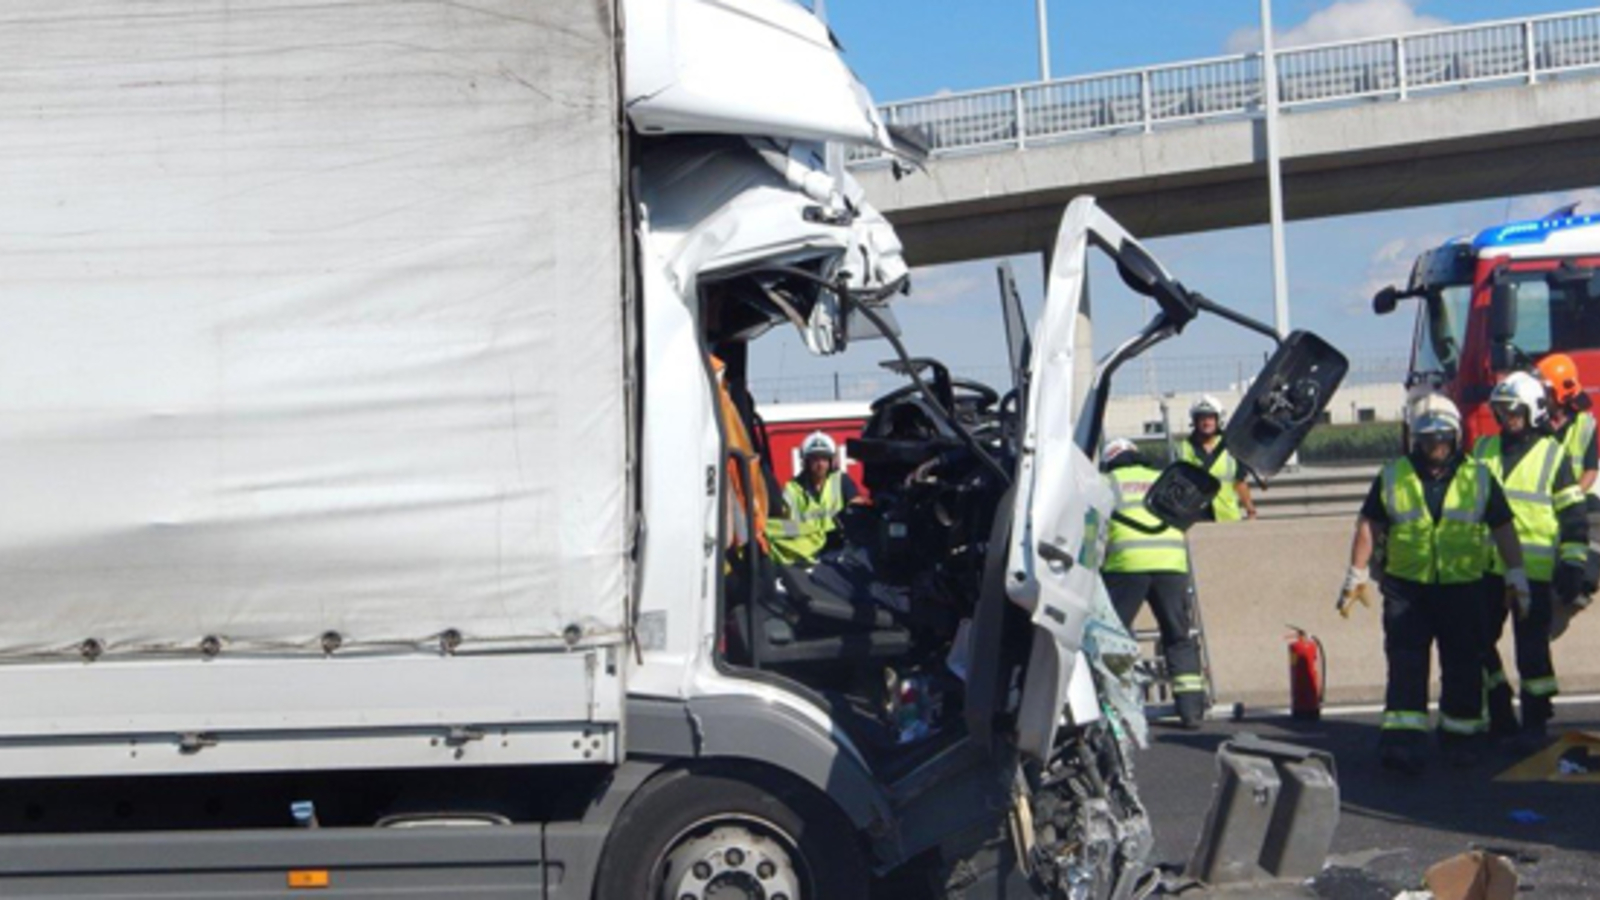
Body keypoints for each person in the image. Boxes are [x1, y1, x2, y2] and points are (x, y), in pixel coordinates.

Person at [1339, 392, 1525, 772]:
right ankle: (1403, 742)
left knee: (1462, 666)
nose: (1434, 446)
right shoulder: (1394, 475)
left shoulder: (1479, 477)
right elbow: (1369, 526)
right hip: (1408, 588)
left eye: (1441, 438)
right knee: (1406, 665)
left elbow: (1504, 529)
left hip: (1463, 587)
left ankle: (1460, 739)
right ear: (1415, 439)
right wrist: (1355, 575)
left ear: (1454, 438)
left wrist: (1516, 575)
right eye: (1427, 439)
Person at [1472, 371, 1588, 745]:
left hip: (1534, 572)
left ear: (1534, 410)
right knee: (1476, 641)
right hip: (1488, 568)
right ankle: (1499, 706)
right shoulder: (1482, 450)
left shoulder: (1553, 455)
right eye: (1502, 411)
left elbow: (1572, 515)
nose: (1507, 419)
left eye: (1514, 411)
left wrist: (1572, 563)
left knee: (1532, 650)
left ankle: (1536, 720)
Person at [1101, 438, 1206, 728]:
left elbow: (1092, 528)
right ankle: (1191, 711)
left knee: (1114, 636)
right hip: (1170, 564)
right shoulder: (1162, 477)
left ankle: (1120, 707)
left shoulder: (1106, 481)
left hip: (1125, 565)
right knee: (1178, 636)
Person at [1536, 353, 1598, 638]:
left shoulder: (1584, 424)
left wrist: (1571, 496)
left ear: (1560, 391)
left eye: (1546, 389)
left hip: (1578, 497)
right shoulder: (1536, 424)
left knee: (1586, 537)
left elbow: (1590, 469)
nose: (1541, 393)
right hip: (1543, 500)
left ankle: (1582, 583)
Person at [766, 431, 864, 566]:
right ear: (806, 461)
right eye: (815, 459)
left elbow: (858, 509)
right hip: (805, 554)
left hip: (839, 551)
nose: (820, 464)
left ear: (831, 461)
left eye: (824, 459)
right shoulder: (792, 489)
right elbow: (784, 524)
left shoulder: (841, 480)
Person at [1176, 396, 1257, 522]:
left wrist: (1250, 510)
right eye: (1202, 418)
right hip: (1197, 518)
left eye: (1210, 418)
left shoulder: (1230, 445)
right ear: (1195, 421)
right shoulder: (1186, 448)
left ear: (1218, 420)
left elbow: (1240, 481)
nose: (1206, 423)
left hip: (1228, 516)